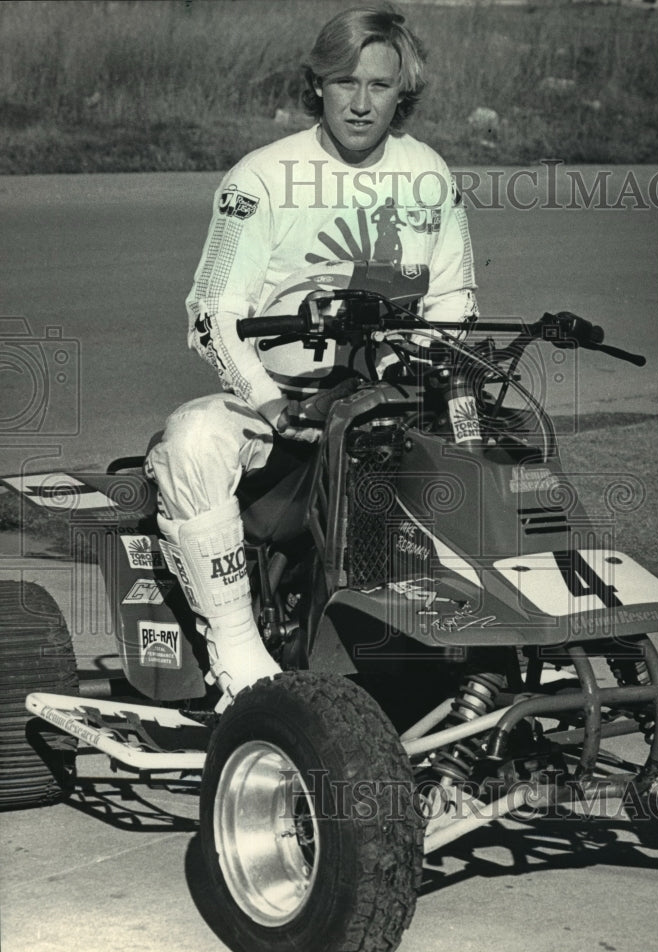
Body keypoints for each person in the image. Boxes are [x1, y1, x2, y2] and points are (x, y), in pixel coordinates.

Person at [145, 2, 478, 711]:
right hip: (281, 401)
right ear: (317, 85)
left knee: (497, 447)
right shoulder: (260, 177)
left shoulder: (430, 176)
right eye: (344, 82)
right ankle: (242, 662)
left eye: (379, 86)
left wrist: (413, 375)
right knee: (193, 440)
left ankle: (475, 659)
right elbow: (212, 317)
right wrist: (268, 399)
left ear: (403, 92)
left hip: (385, 401)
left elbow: (454, 299)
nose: (361, 104)